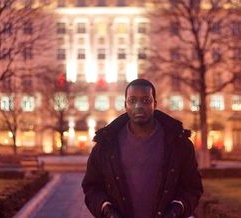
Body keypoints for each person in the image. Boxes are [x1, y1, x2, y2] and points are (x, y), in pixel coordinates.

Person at [82, 79, 203, 218]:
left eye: (145, 101)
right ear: (125, 105)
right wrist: (106, 209)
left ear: (155, 104)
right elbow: (92, 187)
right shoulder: (105, 144)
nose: (138, 106)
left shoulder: (179, 143)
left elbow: (192, 187)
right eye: (132, 101)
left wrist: (177, 208)